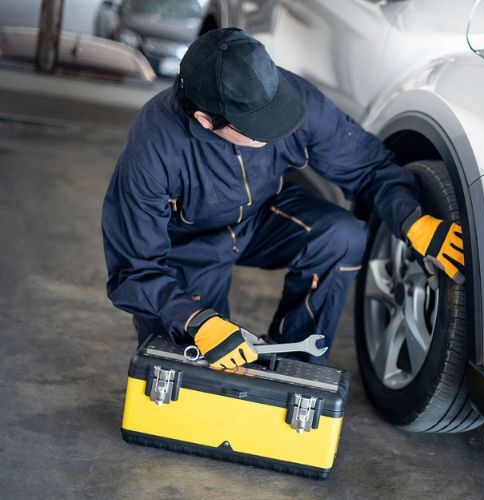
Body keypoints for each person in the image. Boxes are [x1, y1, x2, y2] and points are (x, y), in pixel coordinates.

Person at [101, 28, 464, 367]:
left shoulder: (287, 93)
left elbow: (368, 165)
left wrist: (411, 218)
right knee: (197, 363)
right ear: (206, 120)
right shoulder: (154, 146)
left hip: (261, 215)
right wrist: (194, 318)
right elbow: (135, 269)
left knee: (341, 235)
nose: (277, 129)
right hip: (189, 246)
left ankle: (294, 363)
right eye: (260, 126)